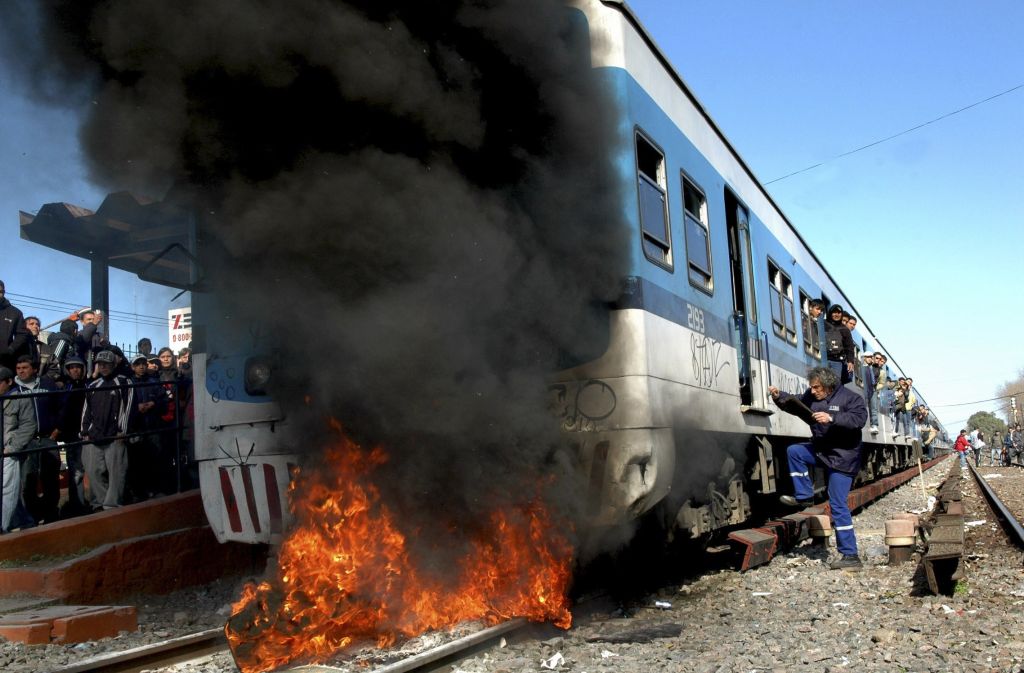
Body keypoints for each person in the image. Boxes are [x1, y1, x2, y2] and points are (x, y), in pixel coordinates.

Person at [769, 366, 868, 570]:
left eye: (816, 387)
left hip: (843, 458)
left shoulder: (851, 398)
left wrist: (832, 418)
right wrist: (779, 397)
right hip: (823, 451)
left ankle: (850, 555)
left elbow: (859, 420)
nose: (812, 391)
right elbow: (796, 402)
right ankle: (804, 496)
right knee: (795, 451)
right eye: (811, 388)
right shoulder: (812, 395)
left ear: (828, 386)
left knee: (838, 504)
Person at [80, 350, 133, 510]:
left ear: (113, 364)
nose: (102, 367)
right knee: (93, 471)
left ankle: (112, 505)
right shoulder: (93, 385)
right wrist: (84, 432)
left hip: (115, 436)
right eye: (100, 364)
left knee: (117, 473)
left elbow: (127, 407)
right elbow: (86, 411)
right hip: (94, 436)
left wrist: (121, 430)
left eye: (106, 364)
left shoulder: (124, 382)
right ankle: (102, 503)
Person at [13, 355, 62, 524]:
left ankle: (51, 514)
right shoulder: (13, 390)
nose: (21, 371)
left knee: (51, 479)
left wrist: (57, 430)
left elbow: (61, 407)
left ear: (34, 369)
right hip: (27, 443)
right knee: (28, 480)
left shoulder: (48, 384)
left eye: (25, 368)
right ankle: (33, 516)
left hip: (48, 438)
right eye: (18, 368)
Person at [2, 366, 37, 533]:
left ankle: (3, 526)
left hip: (9, 451)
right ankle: (25, 520)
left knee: (8, 489)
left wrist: (12, 447)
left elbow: (29, 425)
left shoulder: (20, 398)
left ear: (8, 382)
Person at [55, 356, 89, 517]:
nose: (75, 370)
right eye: (71, 367)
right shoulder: (64, 388)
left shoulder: (88, 386)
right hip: (71, 436)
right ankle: (77, 505)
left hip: (87, 435)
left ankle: (84, 503)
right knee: (75, 472)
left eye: (78, 367)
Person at [0, 281, 30, 370]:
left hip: (3, 363)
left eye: (0, 292)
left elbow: (22, 334)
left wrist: (10, 350)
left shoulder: (15, 313)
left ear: (4, 292)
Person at [824, 305, 856, 384]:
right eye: (834, 312)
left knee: (835, 383)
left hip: (837, 361)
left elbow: (849, 347)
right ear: (830, 313)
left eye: (839, 313)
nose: (836, 315)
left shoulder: (845, 329)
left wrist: (850, 361)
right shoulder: (823, 324)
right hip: (823, 359)